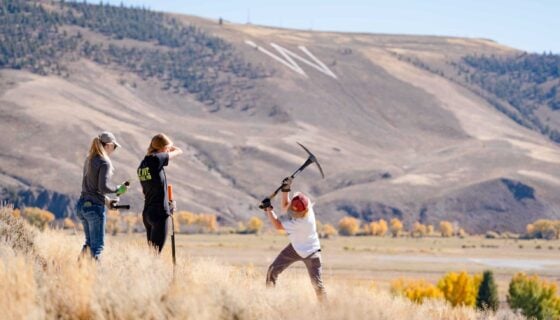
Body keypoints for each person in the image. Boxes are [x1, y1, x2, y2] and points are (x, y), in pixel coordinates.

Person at [261, 177, 326, 300]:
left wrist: (268, 209)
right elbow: (286, 205)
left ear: (304, 211)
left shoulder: (302, 223)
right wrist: (286, 189)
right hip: (295, 248)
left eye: (297, 213)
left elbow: (277, 225)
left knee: (317, 285)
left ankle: (327, 312)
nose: (294, 214)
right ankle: (269, 299)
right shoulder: (304, 202)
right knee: (272, 271)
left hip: (311, 253)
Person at [76, 131, 128, 260]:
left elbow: (91, 189)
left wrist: (107, 202)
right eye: (114, 147)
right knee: (97, 247)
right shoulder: (104, 162)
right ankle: (97, 278)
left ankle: (77, 273)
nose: (114, 150)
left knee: (89, 245)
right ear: (109, 145)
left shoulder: (89, 159)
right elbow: (103, 187)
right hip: (94, 208)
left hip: (82, 206)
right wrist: (118, 189)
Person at [137, 133, 183, 252]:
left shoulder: (142, 165)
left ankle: (146, 270)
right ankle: (151, 271)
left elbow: (149, 190)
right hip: (159, 213)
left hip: (147, 212)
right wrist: (170, 147)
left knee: (152, 252)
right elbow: (178, 151)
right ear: (162, 148)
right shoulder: (156, 159)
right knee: (155, 255)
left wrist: (167, 203)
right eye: (166, 148)